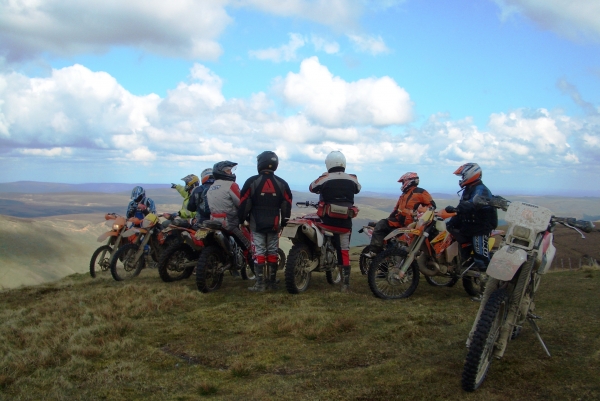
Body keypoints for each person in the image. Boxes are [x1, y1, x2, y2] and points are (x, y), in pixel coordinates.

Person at [239, 151, 293, 292]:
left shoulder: (252, 181)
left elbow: (244, 203)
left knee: (259, 252)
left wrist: (242, 219)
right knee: (272, 252)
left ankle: (260, 284)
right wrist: (283, 223)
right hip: (274, 223)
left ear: (260, 163)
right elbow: (286, 204)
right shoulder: (282, 183)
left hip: (256, 223)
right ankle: (272, 282)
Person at [309, 151, 361, 292]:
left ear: (328, 164)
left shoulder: (325, 178)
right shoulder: (353, 179)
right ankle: (345, 284)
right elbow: (358, 189)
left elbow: (312, 187)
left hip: (326, 223)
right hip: (344, 224)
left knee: (311, 224)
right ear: (343, 163)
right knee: (344, 251)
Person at [368, 172, 436, 256]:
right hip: (399, 222)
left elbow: (432, 206)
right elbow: (396, 210)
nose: (403, 184)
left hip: (413, 225)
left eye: (403, 182)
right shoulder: (404, 194)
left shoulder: (421, 192)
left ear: (408, 181)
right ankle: (377, 253)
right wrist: (388, 219)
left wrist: (417, 213)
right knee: (381, 225)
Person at [445, 163, 498, 271]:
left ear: (471, 174)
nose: (462, 179)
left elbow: (470, 205)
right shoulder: (468, 189)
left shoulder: (481, 190)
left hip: (481, 226)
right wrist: (452, 221)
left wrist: (458, 209)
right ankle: (460, 264)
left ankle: (488, 275)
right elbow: (461, 208)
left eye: (463, 176)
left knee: (480, 257)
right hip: (469, 225)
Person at [206, 161, 252, 269]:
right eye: (228, 170)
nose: (231, 173)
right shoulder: (231, 185)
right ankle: (259, 278)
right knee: (249, 246)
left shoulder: (211, 187)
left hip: (213, 221)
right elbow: (241, 202)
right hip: (229, 222)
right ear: (221, 172)